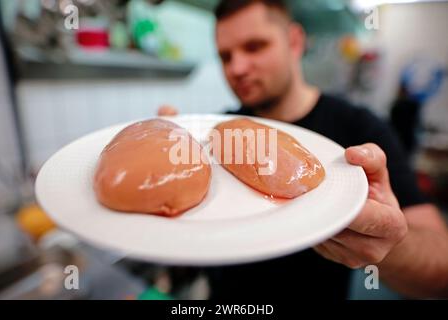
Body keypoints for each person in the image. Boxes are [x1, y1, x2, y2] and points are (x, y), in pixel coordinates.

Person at [158, 0, 448, 299]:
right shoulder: (219, 134)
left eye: (255, 47)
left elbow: (442, 272)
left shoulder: (359, 131)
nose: (237, 68)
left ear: (294, 41)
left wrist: (392, 247)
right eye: (225, 56)